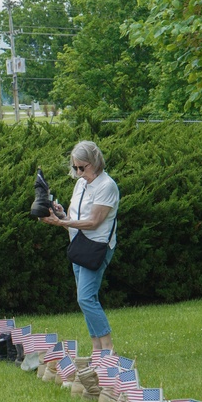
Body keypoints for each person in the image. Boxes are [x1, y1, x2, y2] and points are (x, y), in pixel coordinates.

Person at [39, 141, 120, 354]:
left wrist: (61, 223)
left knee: (85, 297)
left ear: (95, 162)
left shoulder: (106, 186)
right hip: (78, 245)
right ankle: (96, 347)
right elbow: (76, 217)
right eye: (74, 167)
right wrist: (61, 214)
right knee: (84, 300)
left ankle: (108, 349)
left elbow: (94, 222)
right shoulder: (81, 184)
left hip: (96, 247)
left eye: (82, 167)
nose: (77, 172)